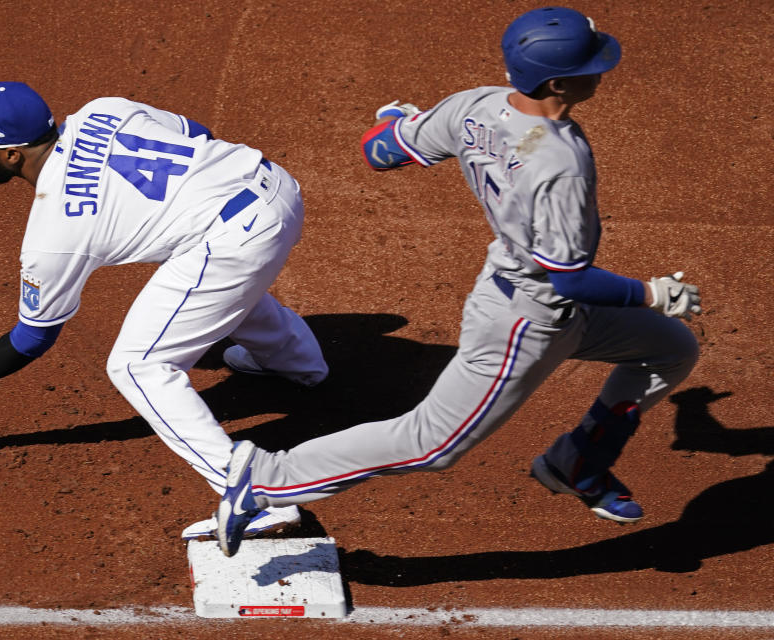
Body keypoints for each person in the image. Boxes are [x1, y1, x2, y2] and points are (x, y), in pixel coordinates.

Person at [216, 6, 702, 557]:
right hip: (528, 321)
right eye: (594, 64)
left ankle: (578, 460)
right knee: (431, 443)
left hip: (533, 296)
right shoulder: (561, 163)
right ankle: (264, 479)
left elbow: (380, 151)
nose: (602, 71)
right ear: (558, 81)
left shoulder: (477, 105)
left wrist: (393, 118)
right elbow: (569, 279)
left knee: (670, 349)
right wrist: (651, 293)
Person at [0, 82, 330, 540]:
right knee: (199, 267)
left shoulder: (54, 233)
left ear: (12, 155)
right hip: (275, 187)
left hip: (240, 239)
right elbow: (196, 133)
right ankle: (299, 362)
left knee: (138, 366)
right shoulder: (103, 111)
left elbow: (34, 337)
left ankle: (252, 494)